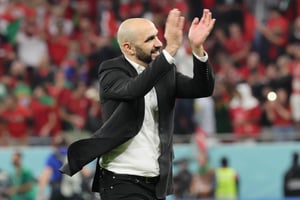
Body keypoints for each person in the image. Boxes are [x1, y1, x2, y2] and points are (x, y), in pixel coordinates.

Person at [60, 8, 215, 200]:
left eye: (157, 36)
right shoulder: (111, 71)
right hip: (121, 179)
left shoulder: (164, 72)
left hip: (157, 183)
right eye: (150, 39)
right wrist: (170, 51)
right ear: (128, 48)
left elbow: (202, 89)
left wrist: (197, 49)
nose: (159, 43)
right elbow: (134, 89)